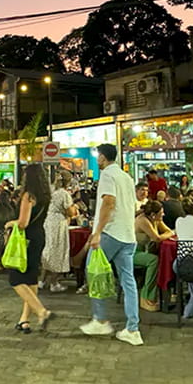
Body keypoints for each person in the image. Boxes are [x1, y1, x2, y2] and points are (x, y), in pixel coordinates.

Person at [80, 143, 143, 346]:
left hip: (111, 232)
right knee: (128, 281)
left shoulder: (107, 175)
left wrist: (97, 232)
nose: (97, 159)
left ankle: (100, 319)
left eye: (98, 155)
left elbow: (109, 202)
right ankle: (133, 329)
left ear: (102, 158)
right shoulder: (126, 176)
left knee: (93, 269)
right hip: (127, 234)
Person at [5, 164, 53, 334]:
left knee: (16, 279)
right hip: (40, 237)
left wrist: (10, 223)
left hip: (26, 240)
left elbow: (23, 223)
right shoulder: (46, 196)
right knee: (31, 278)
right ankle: (24, 320)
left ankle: (41, 311)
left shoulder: (28, 196)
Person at [133, 200, 174, 312]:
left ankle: (164, 292)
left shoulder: (155, 219)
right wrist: (170, 233)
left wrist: (168, 233)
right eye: (162, 213)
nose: (164, 214)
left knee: (164, 259)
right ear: (153, 214)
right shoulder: (143, 221)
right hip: (133, 253)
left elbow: (167, 231)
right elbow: (157, 238)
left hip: (145, 252)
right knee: (154, 261)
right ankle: (146, 296)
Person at [41, 170, 76, 292]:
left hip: (48, 221)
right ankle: (54, 282)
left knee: (48, 250)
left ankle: (42, 280)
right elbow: (70, 212)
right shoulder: (64, 194)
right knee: (58, 251)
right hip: (59, 223)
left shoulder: (50, 191)